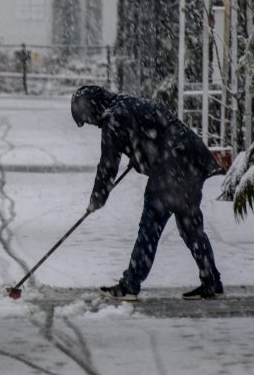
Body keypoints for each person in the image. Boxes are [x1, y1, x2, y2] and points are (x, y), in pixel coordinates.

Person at [71, 85, 224, 301]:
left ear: (92, 108)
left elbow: (108, 165)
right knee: (190, 227)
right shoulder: (126, 103)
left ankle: (130, 285)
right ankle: (211, 282)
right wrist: (140, 155)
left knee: (150, 225)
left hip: (172, 168)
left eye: (87, 119)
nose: (92, 124)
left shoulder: (114, 117)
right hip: (191, 161)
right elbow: (154, 133)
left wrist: (96, 199)